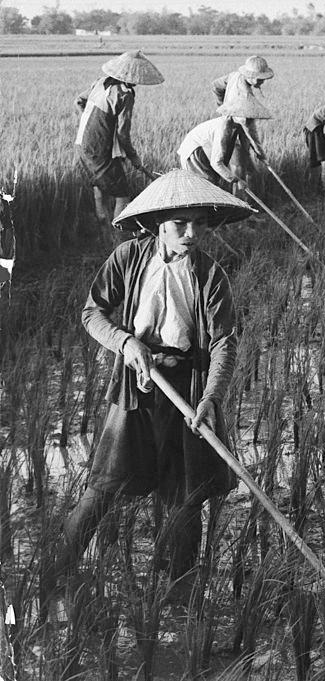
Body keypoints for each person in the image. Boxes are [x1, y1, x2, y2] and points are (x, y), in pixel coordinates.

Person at [41, 171, 254, 607]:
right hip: (136, 385)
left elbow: (223, 342)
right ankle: (54, 574)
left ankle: (178, 590)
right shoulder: (128, 258)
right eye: (180, 224)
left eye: (197, 223)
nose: (191, 234)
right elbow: (92, 312)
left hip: (186, 387)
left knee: (187, 491)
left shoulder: (210, 276)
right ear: (158, 223)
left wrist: (211, 397)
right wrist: (126, 342)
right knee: (104, 485)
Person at [74, 50, 163, 239]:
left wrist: (90, 123)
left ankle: (103, 238)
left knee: (99, 189)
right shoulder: (125, 94)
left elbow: (79, 101)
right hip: (99, 149)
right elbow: (123, 133)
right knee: (122, 195)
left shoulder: (100, 82)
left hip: (82, 146)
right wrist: (133, 156)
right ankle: (118, 240)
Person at [178, 89, 271, 197]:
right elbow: (216, 162)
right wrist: (236, 180)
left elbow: (251, 141)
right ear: (234, 113)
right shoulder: (223, 128)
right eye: (245, 116)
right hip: (194, 152)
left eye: (250, 117)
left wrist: (261, 155)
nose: (248, 120)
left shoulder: (240, 125)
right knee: (206, 186)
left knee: (212, 184)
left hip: (205, 149)